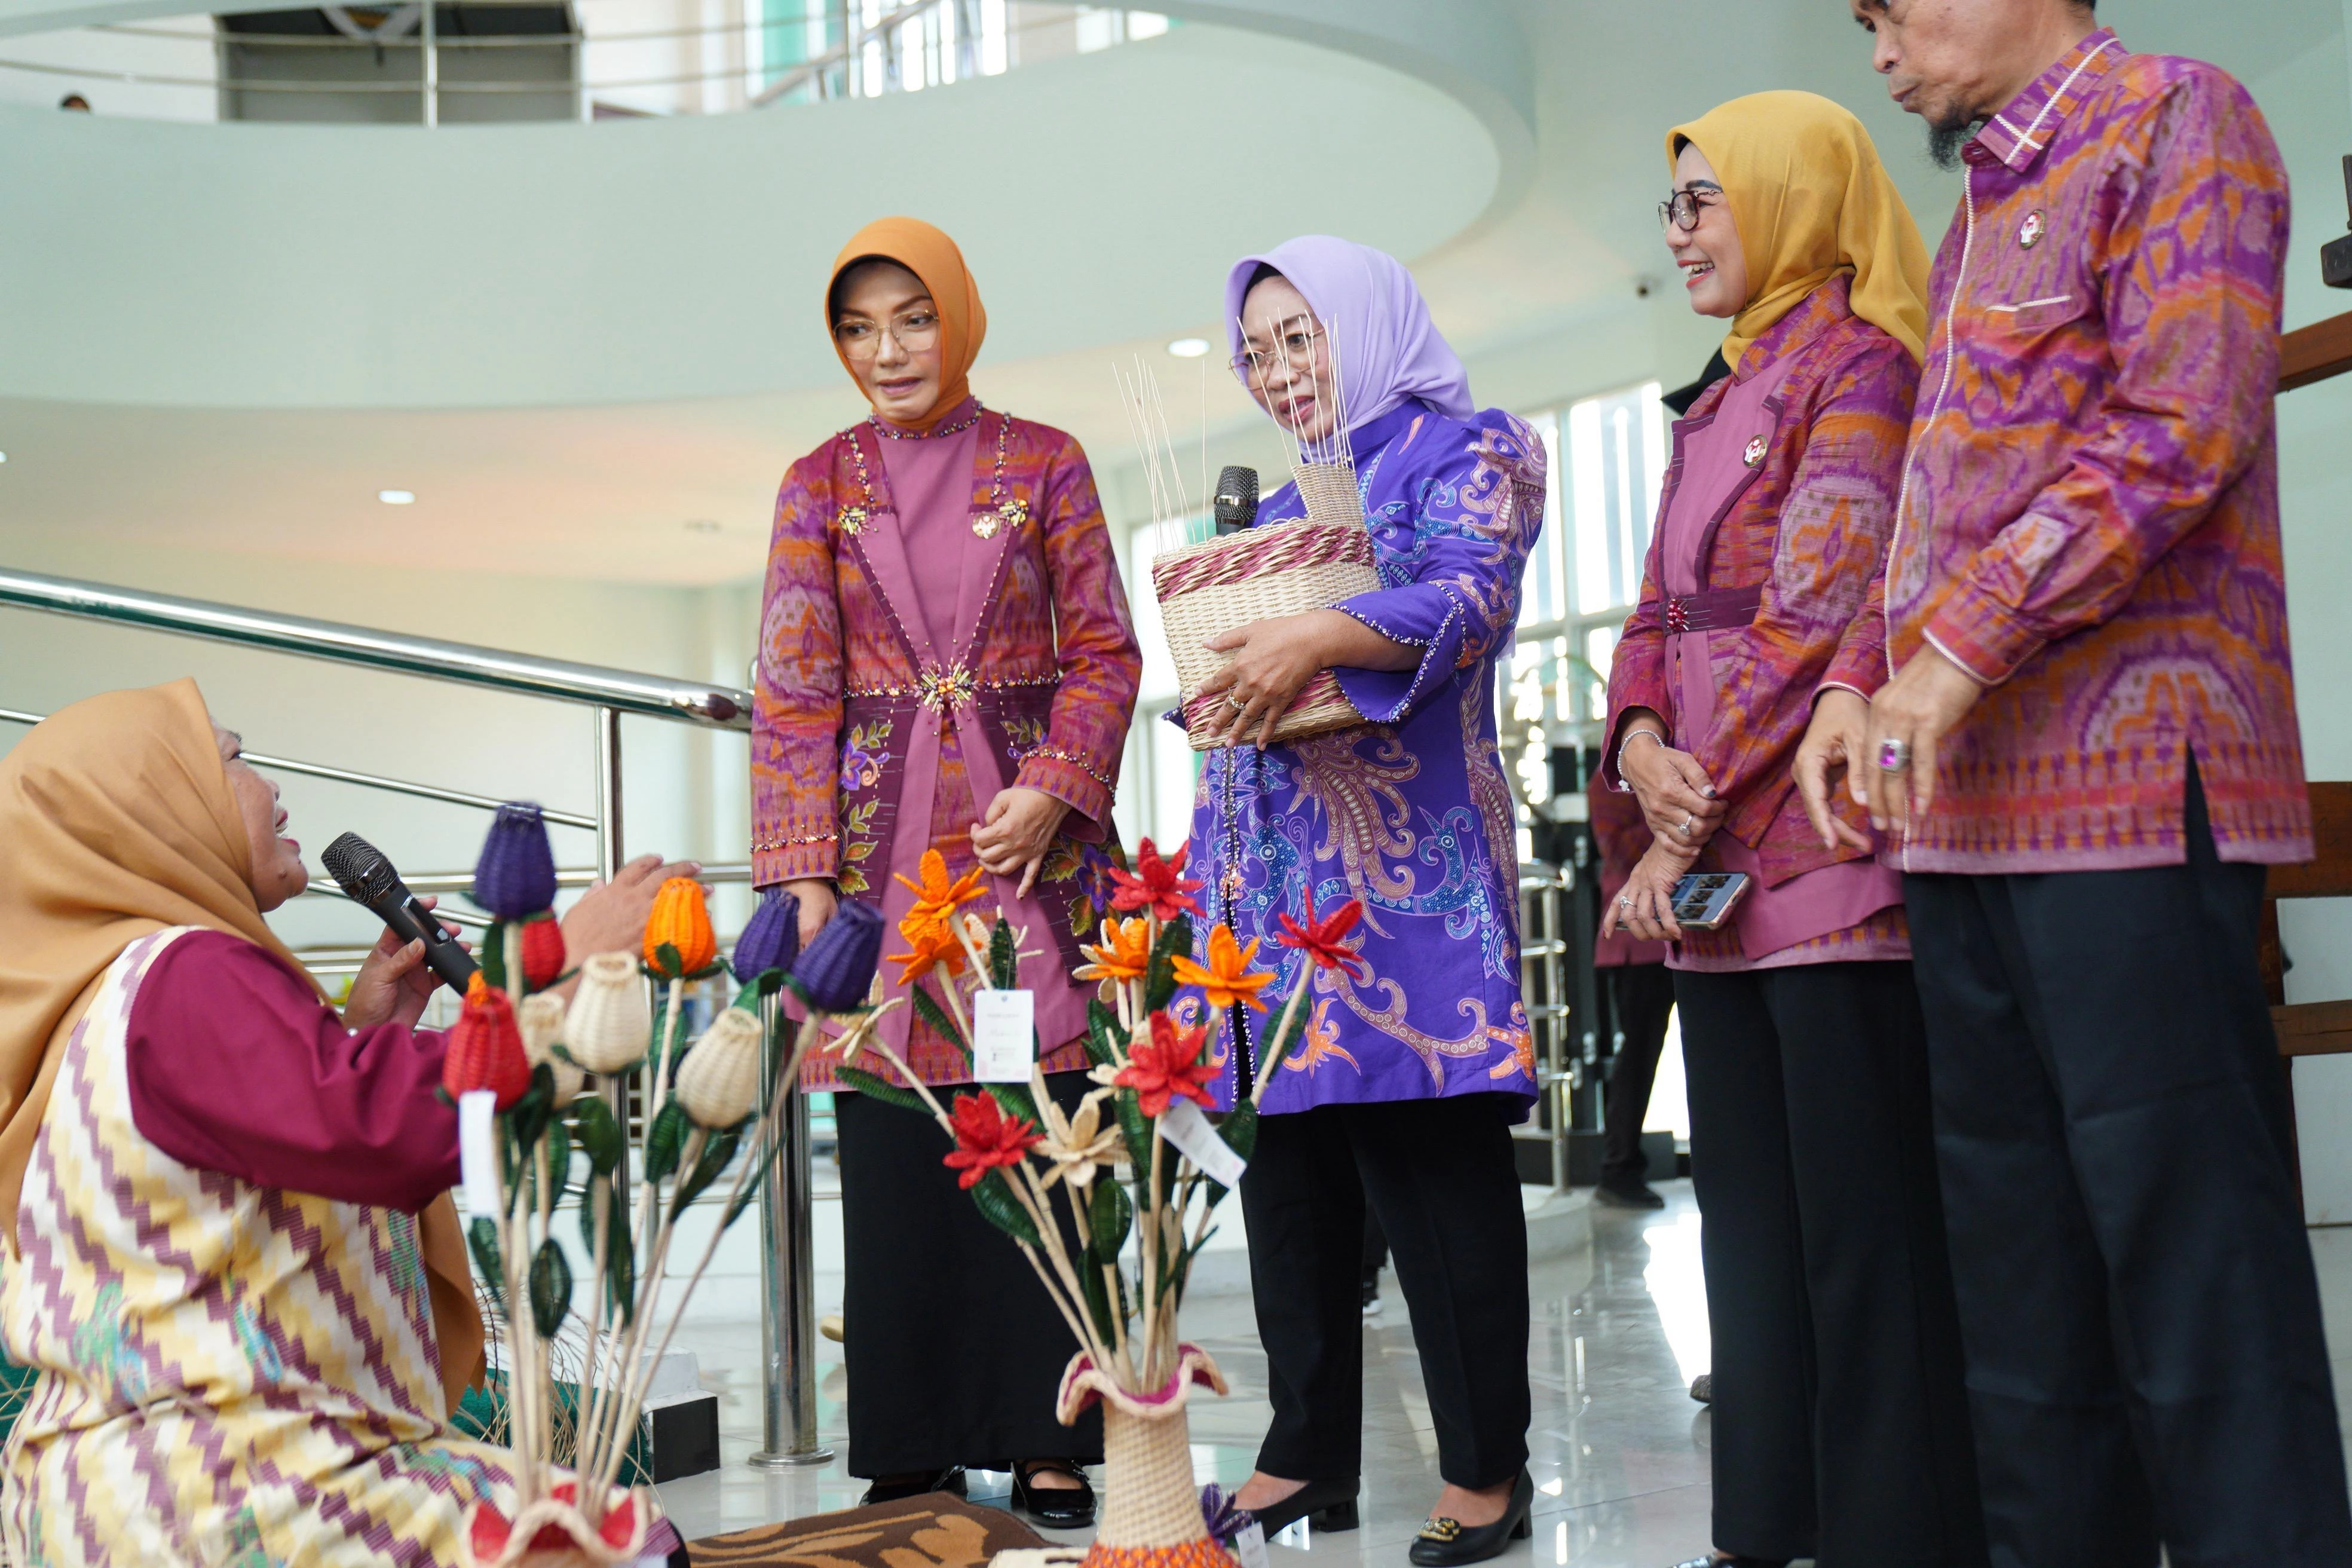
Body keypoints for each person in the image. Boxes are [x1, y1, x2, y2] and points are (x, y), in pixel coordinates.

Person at [1842, 4, 2352, 1563]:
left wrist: (1956, 650)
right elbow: (1940, 505)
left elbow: (2180, 421)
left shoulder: (2178, 115)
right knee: (2022, 1305)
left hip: (2130, 800)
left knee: (2193, 1277)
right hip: (1964, 823)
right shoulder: (1980, 202)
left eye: (1890, 7)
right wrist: (1872, 671)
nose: (1881, 50)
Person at [0, 680, 696, 1566]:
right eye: (234, 759)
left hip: (131, 1495)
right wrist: (569, 989)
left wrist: (363, 1039)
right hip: (228, 1494)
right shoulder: (184, 975)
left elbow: (253, 1164)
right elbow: (372, 1133)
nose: (270, 788)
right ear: (155, 811)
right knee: (610, 1543)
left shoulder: (107, 1001)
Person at [1599, 94, 1984, 1568]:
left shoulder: (1861, 367)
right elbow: (1649, 613)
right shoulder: (1712, 397)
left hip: (1820, 850)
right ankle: (1766, 1525)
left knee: (1859, 1230)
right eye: (1673, 206)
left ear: (1790, 195)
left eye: (1705, 198)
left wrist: (1676, 794)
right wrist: (1642, 750)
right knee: (1746, 1226)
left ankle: (1893, 1529)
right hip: (1708, 863)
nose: (1683, 228)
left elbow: (1826, 605)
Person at [749, 218, 1141, 1524]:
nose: (887, 350)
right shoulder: (817, 481)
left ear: (960, 317)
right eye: (859, 327)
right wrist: (806, 879)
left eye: (912, 317)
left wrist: (1056, 786)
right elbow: (796, 687)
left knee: (1039, 1130)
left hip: (1024, 849)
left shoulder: (1048, 461)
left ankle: (1050, 1431)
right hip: (876, 863)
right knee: (895, 1138)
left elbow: (1105, 652)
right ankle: (908, 1433)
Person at [1196, 236, 1544, 1566]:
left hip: (1417, 875)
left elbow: (1471, 597)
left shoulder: (1476, 447)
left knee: (1428, 1157)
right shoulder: (1291, 499)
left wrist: (1313, 636)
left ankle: (1482, 1473)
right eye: (1261, 351)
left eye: (1303, 337)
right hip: (1283, 874)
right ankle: (1303, 1454)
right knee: (1293, 1169)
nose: (1282, 373)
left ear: (1367, 322)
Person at [1588, 758, 1673, 1211]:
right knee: (1638, 1056)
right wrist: (1682, 822)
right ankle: (1619, 1167)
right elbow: (1619, 849)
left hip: (1688, 926)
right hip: (1637, 938)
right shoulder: (1610, 778)